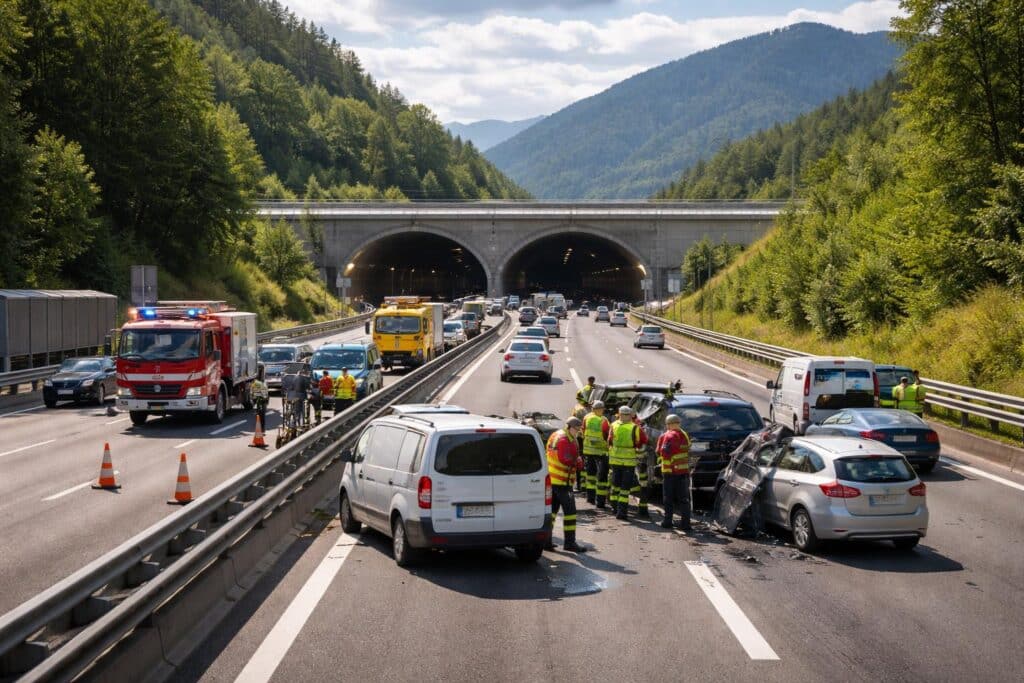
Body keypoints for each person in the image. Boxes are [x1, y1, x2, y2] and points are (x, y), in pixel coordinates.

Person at [546, 417, 588, 552]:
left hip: (553, 480)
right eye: (577, 429)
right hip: (563, 481)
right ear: (570, 427)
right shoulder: (565, 439)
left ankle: (546, 541)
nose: (578, 432)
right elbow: (565, 459)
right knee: (570, 512)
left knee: (552, 512)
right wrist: (578, 461)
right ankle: (570, 543)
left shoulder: (556, 435)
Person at [657, 414, 692, 531]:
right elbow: (687, 448)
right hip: (683, 471)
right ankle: (686, 524)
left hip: (670, 472)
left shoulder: (667, 436)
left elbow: (662, 452)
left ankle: (667, 521)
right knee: (684, 499)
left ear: (669, 424)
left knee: (668, 498)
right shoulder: (684, 434)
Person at [607, 405, 641, 520]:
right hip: (628, 462)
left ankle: (614, 508)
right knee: (625, 488)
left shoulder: (613, 425)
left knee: (615, 485)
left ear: (619, 414)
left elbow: (609, 441)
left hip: (615, 460)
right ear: (630, 415)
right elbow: (639, 442)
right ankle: (622, 513)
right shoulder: (634, 427)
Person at [582, 401, 611, 506]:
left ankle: (590, 498)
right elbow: (607, 435)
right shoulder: (603, 420)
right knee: (602, 477)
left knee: (590, 475)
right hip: (601, 451)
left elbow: (583, 430)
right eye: (602, 409)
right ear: (600, 409)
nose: (603, 410)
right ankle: (601, 501)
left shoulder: (586, 417)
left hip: (589, 450)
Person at [631, 412, 651, 519]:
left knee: (634, 483)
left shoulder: (618, 426)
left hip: (629, 461)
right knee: (643, 485)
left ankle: (640, 507)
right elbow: (645, 441)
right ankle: (643, 509)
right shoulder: (638, 428)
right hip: (640, 462)